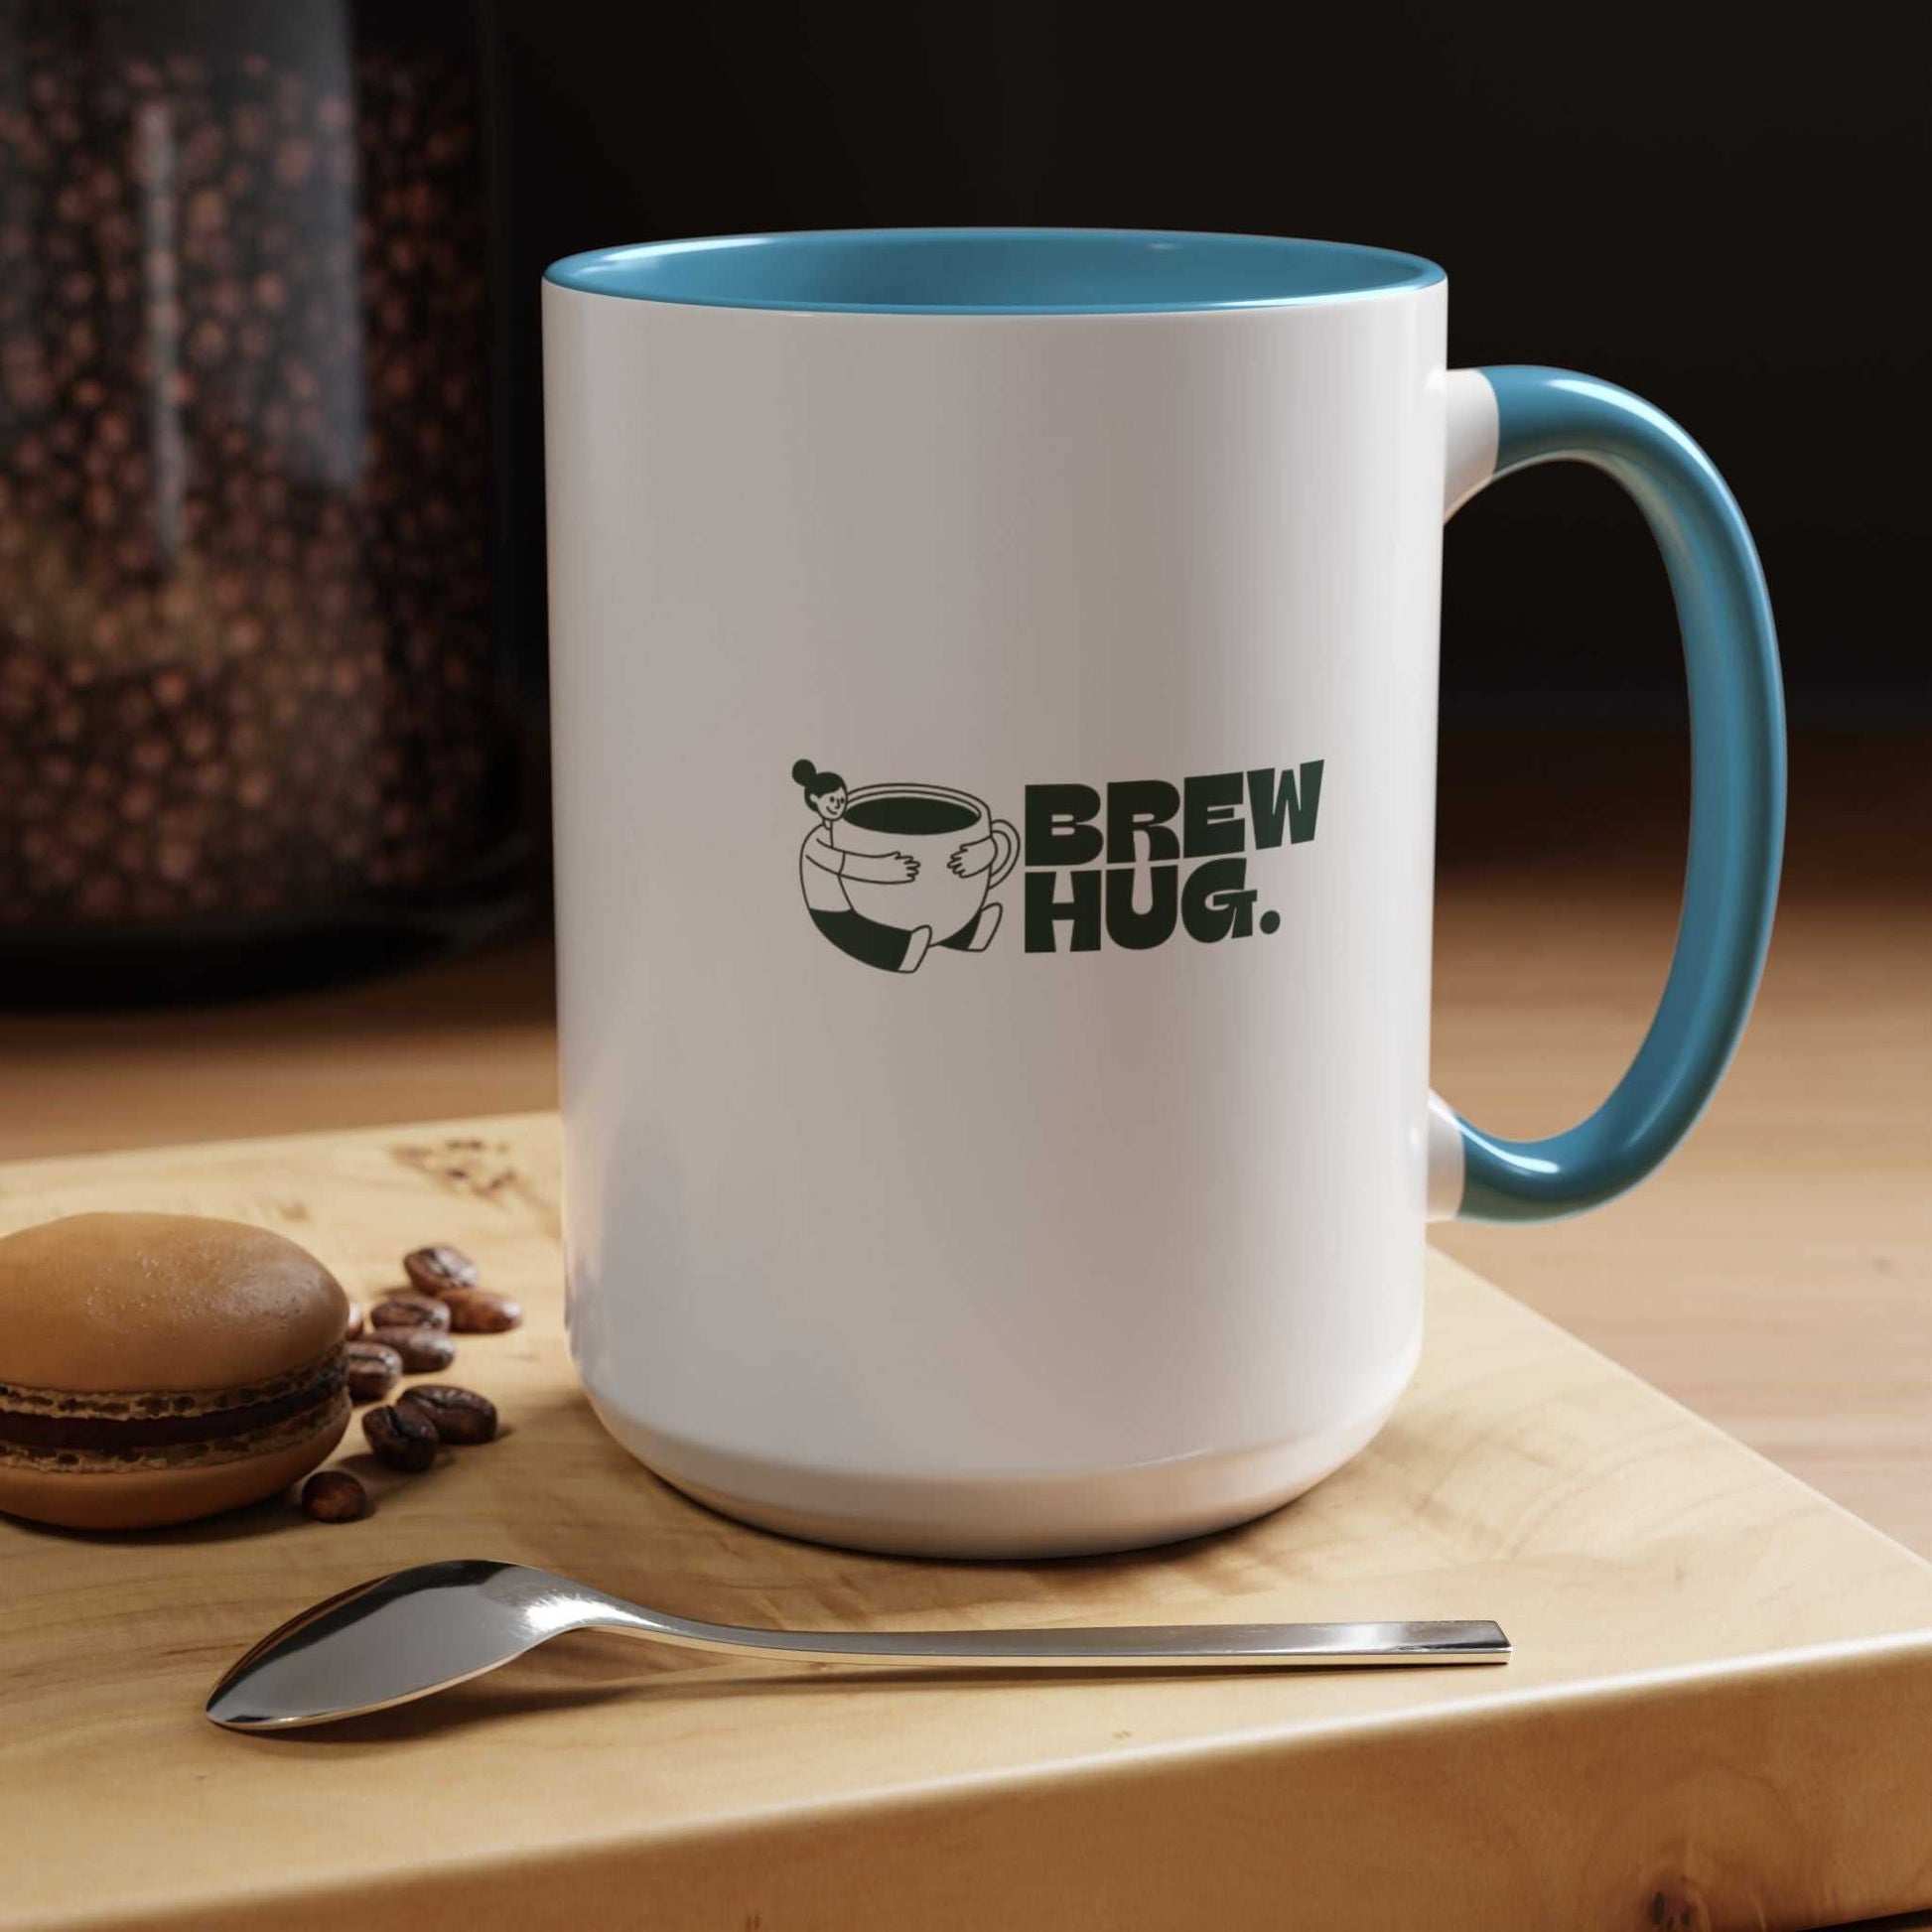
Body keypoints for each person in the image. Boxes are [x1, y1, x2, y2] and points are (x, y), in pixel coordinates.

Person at [793, 759, 932, 973]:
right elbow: (846, 864)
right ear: (815, 800)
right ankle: (902, 954)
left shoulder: (841, 831)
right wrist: (885, 869)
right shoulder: (816, 843)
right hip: (829, 911)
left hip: (850, 899)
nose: (838, 805)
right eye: (832, 800)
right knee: (860, 934)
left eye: (842, 799)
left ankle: (967, 934)